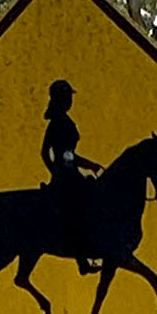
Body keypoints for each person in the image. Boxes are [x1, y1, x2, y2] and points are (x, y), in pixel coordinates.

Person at [42, 80, 103, 271]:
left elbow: (68, 155)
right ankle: (82, 260)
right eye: (67, 97)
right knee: (79, 209)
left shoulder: (64, 121)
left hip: (70, 174)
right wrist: (57, 172)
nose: (70, 101)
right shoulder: (58, 123)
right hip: (66, 178)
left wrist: (88, 165)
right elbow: (53, 154)